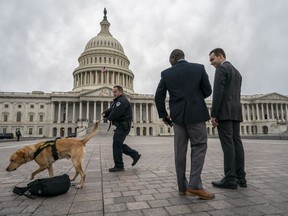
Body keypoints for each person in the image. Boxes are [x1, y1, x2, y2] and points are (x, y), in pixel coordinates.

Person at [155, 49, 215, 200]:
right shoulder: (199, 68)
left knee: (179, 151)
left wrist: (164, 116)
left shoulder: (166, 73)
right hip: (196, 115)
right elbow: (207, 91)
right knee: (199, 146)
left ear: (173, 59)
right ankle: (194, 185)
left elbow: (158, 97)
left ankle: (182, 187)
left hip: (177, 117)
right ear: (183, 57)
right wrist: (194, 96)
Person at [209, 48, 247, 189]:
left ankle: (230, 178)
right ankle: (241, 178)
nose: (211, 63)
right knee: (237, 143)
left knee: (228, 145)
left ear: (220, 56)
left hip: (224, 113)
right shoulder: (237, 73)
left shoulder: (221, 69)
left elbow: (218, 94)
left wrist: (213, 115)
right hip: (236, 112)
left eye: (212, 59)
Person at [102, 85, 141, 172]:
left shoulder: (122, 101)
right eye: (113, 92)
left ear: (120, 92)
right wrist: (105, 112)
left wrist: (107, 118)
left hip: (124, 126)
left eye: (115, 92)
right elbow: (112, 108)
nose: (113, 93)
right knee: (117, 143)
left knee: (117, 143)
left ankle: (119, 165)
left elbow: (116, 112)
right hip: (122, 126)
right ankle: (134, 154)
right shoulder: (118, 101)